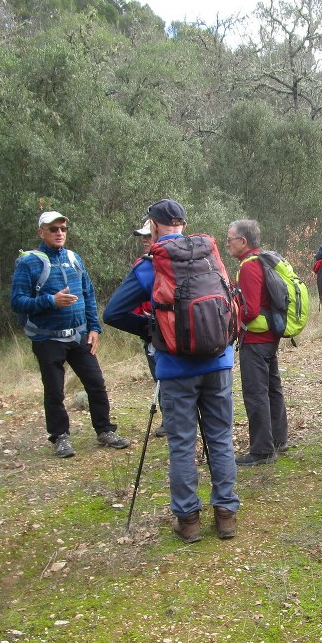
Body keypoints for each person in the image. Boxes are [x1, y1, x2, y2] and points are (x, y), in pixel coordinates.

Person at [103, 199, 239, 542]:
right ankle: (226, 516)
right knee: (221, 437)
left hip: (176, 368)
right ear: (183, 223)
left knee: (182, 443)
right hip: (219, 361)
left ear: (154, 224)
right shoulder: (210, 256)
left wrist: (152, 328)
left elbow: (114, 313)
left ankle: (188, 521)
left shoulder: (152, 265)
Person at [10, 211, 128, 459]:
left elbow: (88, 294)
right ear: (41, 232)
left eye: (63, 228)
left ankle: (104, 430)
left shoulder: (74, 258)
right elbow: (17, 302)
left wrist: (94, 328)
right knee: (54, 391)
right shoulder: (28, 262)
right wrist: (51, 301)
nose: (59, 233)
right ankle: (60, 437)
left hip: (79, 336)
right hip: (47, 338)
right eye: (53, 229)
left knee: (96, 384)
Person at [226, 219, 289, 465]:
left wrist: (231, 313)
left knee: (256, 393)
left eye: (230, 239)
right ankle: (278, 439)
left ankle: (261, 451)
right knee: (272, 388)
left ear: (243, 241)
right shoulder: (261, 261)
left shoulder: (249, 267)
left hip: (255, 339)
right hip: (269, 337)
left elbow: (250, 311)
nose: (227, 244)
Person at [132, 216, 167, 438]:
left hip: (163, 327)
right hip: (149, 327)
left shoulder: (156, 263)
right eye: (142, 236)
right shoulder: (142, 264)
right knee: (158, 374)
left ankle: (173, 419)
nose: (145, 240)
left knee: (165, 373)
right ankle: (169, 418)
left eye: (148, 235)